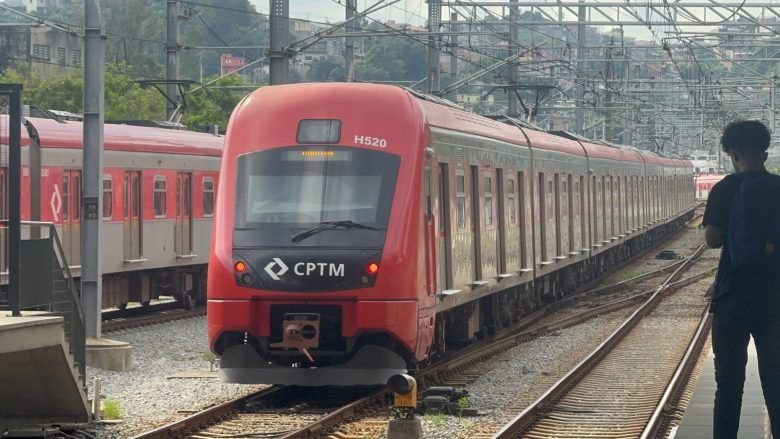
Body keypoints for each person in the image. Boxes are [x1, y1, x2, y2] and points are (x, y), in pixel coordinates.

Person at [703, 119, 780, 438]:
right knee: (776, 386)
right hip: (775, 301)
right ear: (765, 151)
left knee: (729, 387)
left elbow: (713, 239)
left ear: (733, 154)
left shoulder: (724, 188)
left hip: (732, 298)